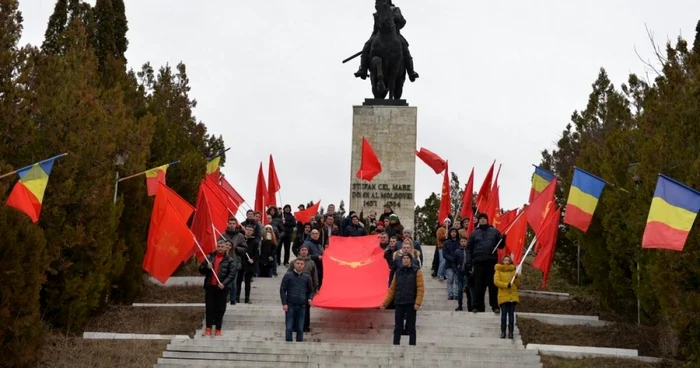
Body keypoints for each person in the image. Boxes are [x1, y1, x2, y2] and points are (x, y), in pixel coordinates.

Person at [380, 253, 425, 346]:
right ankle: (396, 345)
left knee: (411, 327)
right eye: (404, 258)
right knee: (397, 326)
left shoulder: (416, 271)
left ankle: (412, 345)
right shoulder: (398, 272)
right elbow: (392, 289)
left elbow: (421, 288)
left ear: (410, 260)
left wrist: (418, 302)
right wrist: (385, 303)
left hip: (411, 303)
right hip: (399, 302)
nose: (405, 260)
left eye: (407, 258)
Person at [466, 213, 505, 313]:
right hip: (478, 262)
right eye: (481, 219)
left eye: (484, 218)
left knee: (492, 285)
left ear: (487, 220)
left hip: (491, 261)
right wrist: (468, 262)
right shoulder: (474, 233)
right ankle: (476, 306)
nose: (483, 220)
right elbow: (469, 249)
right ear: (478, 221)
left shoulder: (494, 231)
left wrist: (503, 239)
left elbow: (500, 246)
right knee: (478, 285)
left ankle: (495, 306)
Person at [199, 239, 238, 336]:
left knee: (220, 308)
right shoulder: (209, 257)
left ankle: (218, 328)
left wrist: (224, 283)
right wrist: (206, 267)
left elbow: (232, 274)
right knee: (209, 307)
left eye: (222, 247)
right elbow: (201, 270)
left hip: (222, 288)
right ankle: (208, 327)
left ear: (226, 248)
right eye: (218, 247)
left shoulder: (230, 260)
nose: (220, 248)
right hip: (210, 287)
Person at [280, 258, 315, 342]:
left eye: (301, 264)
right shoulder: (288, 275)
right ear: (294, 264)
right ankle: (288, 345)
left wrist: (310, 298)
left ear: (304, 265)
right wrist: (284, 303)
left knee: (300, 327)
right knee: (289, 327)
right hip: (290, 304)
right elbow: (282, 289)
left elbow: (311, 290)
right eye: (298, 263)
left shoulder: (307, 277)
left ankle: (299, 343)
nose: (299, 265)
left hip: (302, 305)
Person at [288, 244, 319, 332]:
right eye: (302, 250)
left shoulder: (311, 263)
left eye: (305, 250)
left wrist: (315, 287)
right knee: (294, 309)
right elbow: (288, 274)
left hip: (307, 289)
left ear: (308, 252)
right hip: (294, 289)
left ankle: (305, 326)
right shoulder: (293, 262)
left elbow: (314, 276)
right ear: (299, 251)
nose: (304, 251)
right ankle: (294, 326)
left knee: (306, 309)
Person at [494, 255, 520, 339]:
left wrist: (516, 278)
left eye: (508, 260)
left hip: (512, 296)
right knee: (504, 315)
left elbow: (517, 284)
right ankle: (503, 331)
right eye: (505, 260)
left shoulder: (513, 270)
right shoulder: (498, 270)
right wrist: (506, 285)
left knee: (511, 315)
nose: (507, 262)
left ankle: (511, 332)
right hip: (503, 296)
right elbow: (496, 282)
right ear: (502, 261)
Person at [454, 237, 472, 311]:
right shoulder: (457, 251)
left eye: (465, 241)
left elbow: (472, 260)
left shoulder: (470, 251)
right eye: (462, 241)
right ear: (460, 242)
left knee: (469, 290)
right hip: (460, 273)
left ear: (467, 242)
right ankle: (460, 306)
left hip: (468, 273)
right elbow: (454, 262)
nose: (463, 242)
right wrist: (456, 270)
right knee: (459, 290)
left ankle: (470, 307)